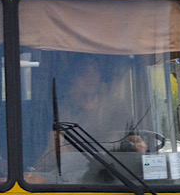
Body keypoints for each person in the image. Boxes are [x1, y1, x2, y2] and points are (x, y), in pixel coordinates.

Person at [26, 54, 148, 182]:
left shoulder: (117, 108)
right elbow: (57, 154)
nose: (90, 77)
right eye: (83, 72)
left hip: (114, 174)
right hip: (73, 177)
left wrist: (139, 147)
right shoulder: (60, 110)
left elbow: (134, 140)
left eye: (95, 71)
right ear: (72, 78)